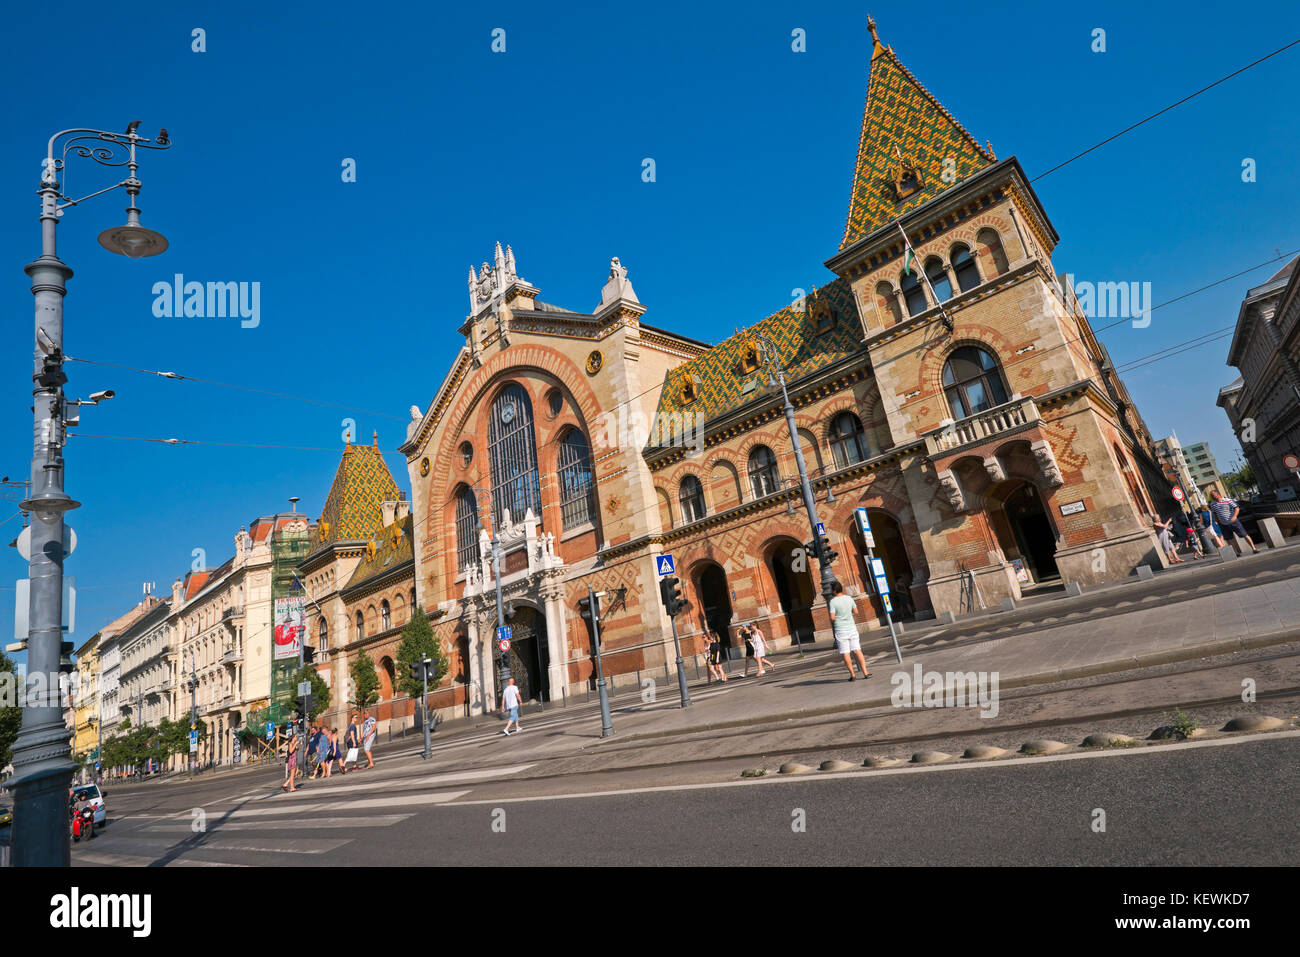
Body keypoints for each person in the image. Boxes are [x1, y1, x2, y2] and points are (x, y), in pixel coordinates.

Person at [828, 581, 871, 681]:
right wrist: (848, 615)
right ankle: (865, 672)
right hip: (852, 628)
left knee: (846, 653)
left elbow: (832, 617)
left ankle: (853, 675)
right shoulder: (849, 598)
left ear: (834, 590)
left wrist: (839, 617)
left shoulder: (833, 602)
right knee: (857, 650)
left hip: (840, 630)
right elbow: (856, 612)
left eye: (831, 589)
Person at [1210, 490, 1259, 555]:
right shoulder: (1213, 504)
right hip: (1223, 524)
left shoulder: (1228, 500)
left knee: (1244, 534)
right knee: (1229, 539)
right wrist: (1217, 521)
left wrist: (1234, 516)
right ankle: (1236, 552)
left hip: (1233, 522)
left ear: (1218, 494)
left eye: (1213, 495)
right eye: (1211, 496)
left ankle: (1254, 548)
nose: (1212, 497)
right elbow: (1215, 513)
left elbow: (1237, 508)